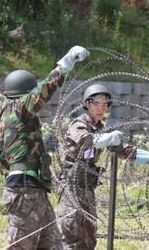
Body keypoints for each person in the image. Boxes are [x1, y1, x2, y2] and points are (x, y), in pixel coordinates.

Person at [0, 45, 89, 250]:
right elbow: (43, 91)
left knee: (52, 246)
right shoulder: (19, 109)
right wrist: (65, 63)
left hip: (33, 189)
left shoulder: (10, 119)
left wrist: (36, 150)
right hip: (24, 193)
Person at [57, 83, 149, 250]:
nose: (102, 108)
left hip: (87, 187)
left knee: (88, 235)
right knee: (71, 233)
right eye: (97, 103)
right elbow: (85, 141)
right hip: (71, 187)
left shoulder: (101, 128)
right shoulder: (78, 124)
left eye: (105, 104)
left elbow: (123, 150)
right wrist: (108, 138)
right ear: (87, 104)